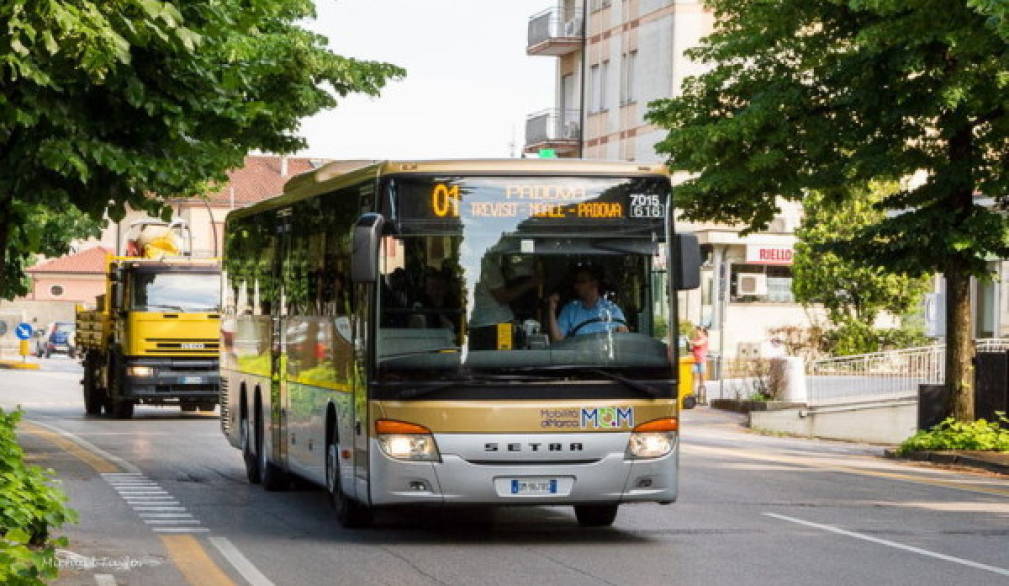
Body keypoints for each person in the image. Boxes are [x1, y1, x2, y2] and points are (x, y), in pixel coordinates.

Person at [547, 267, 628, 342]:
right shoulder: (570, 310)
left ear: (594, 283)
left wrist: (620, 330)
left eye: (581, 282)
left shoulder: (612, 309)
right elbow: (557, 340)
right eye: (576, 283)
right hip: (578, 356)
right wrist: (551, 309)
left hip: (606, 356)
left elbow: (624, 336)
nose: (576, 286)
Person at [690, 326, 709, 404]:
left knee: (702, 380)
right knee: (693, 379)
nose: (697, 332)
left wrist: (690, 341)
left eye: (699, 331)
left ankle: (701, 397)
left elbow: (698, 344)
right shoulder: (695, 339)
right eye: (697, 331)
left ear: (703, 332)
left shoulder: (705, 339)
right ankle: (693, 395)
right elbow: (691, 348)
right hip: (694, 361)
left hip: (702, 361)